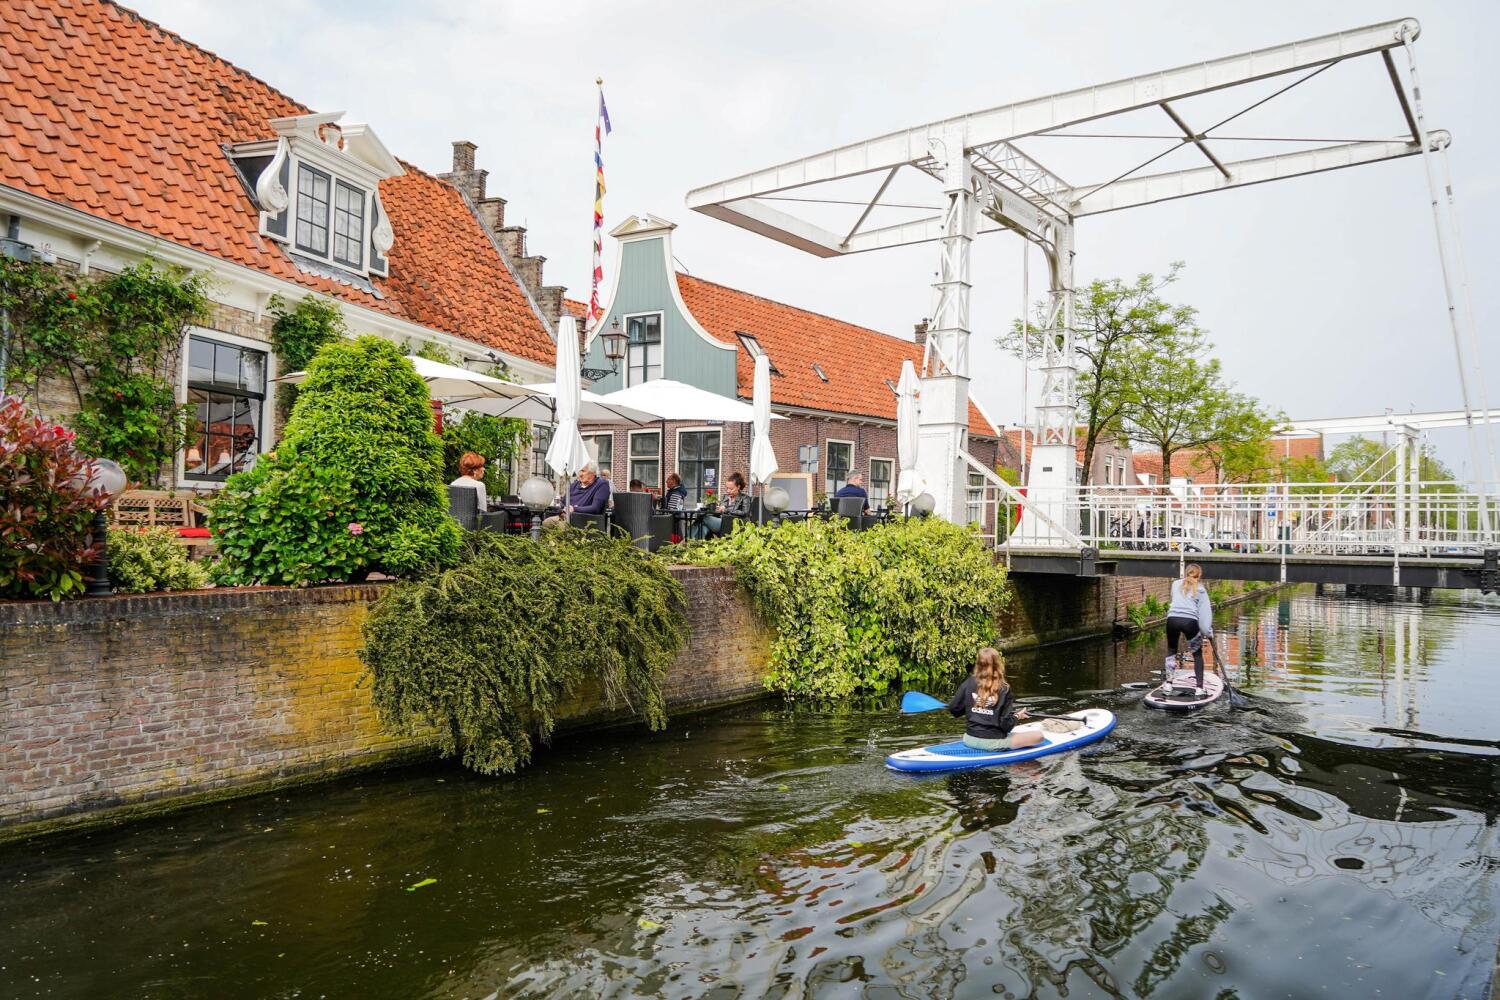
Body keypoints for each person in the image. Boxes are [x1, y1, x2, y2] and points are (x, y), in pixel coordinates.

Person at [946, 647, 1043, 751]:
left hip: (969, 739)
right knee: (1039, 736)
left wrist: (973, 708)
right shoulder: (1004, 689)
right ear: (998, 664)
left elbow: (954, 709)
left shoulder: (968, 682)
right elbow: (1006, 726)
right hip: (993, 743)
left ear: (978, 663)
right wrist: (1017, 716)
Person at [1166, 563, 1214, 690]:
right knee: (1197, 654)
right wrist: (1208, 633)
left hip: (1172, 620)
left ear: (1186, 572)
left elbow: (1176, 600)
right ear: (1199, 575)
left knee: (1171, 651)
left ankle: (1168, 684)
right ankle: (1199, 688)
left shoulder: (1175, 584)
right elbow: (1204, 616)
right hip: (1190, 622)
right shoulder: (1201, 590)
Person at [702, 471, 753, 537]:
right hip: (721, 521)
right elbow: (720, 511)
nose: (728, 491)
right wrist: (717, 510)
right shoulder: (725, 497)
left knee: (704, 518)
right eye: (727, 488)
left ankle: (690, 539)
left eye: (731, 489)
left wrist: (726, 510)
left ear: (738, 487)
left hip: (732, 524)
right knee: (702, 525)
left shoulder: (745, 498)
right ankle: (693, 540)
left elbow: (745, 513)